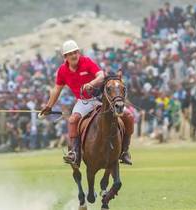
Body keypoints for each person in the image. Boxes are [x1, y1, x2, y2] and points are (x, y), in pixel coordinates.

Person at [40, 40, 134, 168]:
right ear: (65, 57)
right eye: (70, 54)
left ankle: (125, 151)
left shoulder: (86, 62)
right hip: (83, 102)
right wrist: (49, 106)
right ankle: (74, 153)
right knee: (73, 120)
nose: (74, 55)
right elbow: (57, 89)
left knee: (128, 116)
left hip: (101, 100)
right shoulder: (62, 71)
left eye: (75, 52)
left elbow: (101, 76)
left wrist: (91, 84)